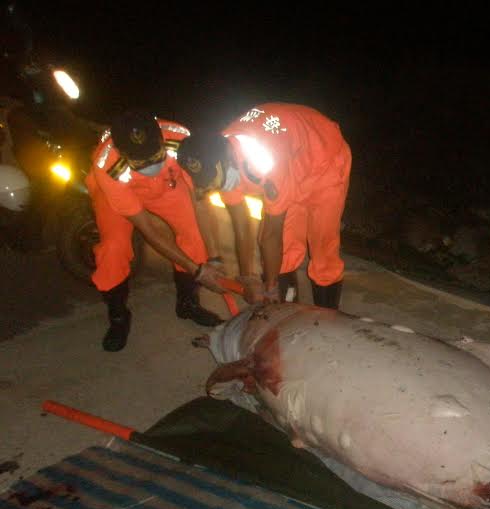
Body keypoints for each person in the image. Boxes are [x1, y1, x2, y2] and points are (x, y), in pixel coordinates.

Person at [177, 103, 352, 308]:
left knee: (323, 249)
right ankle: (286, 311)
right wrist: (246, 277)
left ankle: (327, 317)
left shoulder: (265, 162)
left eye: (213, 182)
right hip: (292, 159)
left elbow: (270, 236)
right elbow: (241, 223)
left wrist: (269, 287)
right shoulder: (212, 151)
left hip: (324, 161)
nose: (213, 188)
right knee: (284, 254)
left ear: (227, 160)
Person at [86, 109, 224, 352]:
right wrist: (197, 270)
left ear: (161, 138)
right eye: (141, 161)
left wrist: (213, 258)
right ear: (121, 152)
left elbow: (200, 200)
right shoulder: (107, 166)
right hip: (118, 192)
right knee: (112, 250)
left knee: (195, 236)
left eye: (155, 155)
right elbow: (149, 231)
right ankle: (118, 318)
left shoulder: (182, 140)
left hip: (166, 184)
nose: (149, 164)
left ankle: (187, 303)